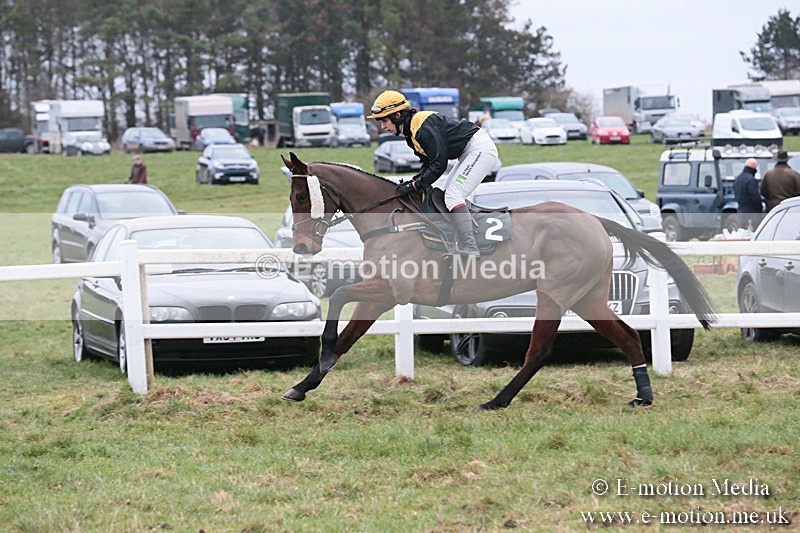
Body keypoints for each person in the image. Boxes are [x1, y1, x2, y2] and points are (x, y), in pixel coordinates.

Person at [367, 90, 499, 257]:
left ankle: (470, 246)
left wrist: (415, 185)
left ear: (398, 115)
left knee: (453, 196)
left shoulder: (421, 127)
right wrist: (413, 182)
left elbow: (438, 165)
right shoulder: (411, 132)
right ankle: (459, 240)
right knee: (445, 195)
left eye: (384, 121)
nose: (383, 127)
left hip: (479, 149)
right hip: (468, 152)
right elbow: (428, 164)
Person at [733, 158, 763, 229]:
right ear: (754, 168)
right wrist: (760, 209)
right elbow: (755, 197)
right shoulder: (751, 179)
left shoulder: (737, 179)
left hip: (741, 213)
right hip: (752, 214)